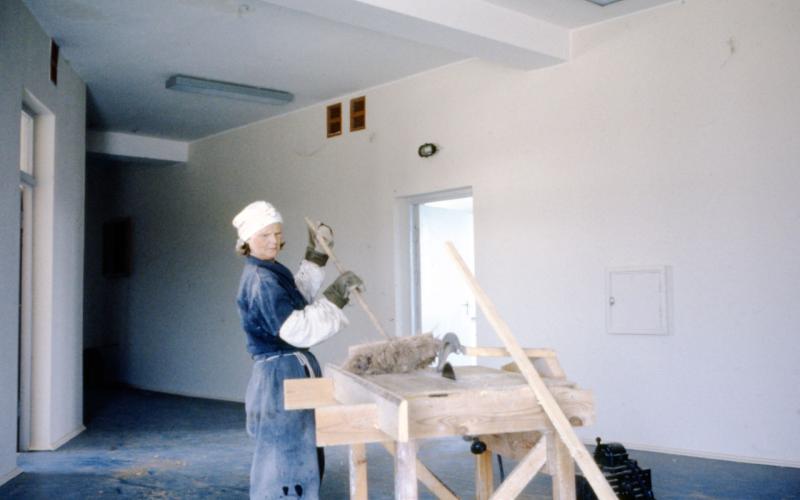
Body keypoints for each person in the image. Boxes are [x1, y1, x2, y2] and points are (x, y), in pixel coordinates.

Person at [232, 200, 363, 499]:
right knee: (285, 454)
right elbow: (296, 329)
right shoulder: (261, 280)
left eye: (277, 233)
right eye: (264, 235)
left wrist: (316, 257)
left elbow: (297, 296)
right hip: (279, 375)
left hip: (289, 369)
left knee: (298, 447)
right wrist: (336, 296)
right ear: (247, 240)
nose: (273, 241)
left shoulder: (270, 271)